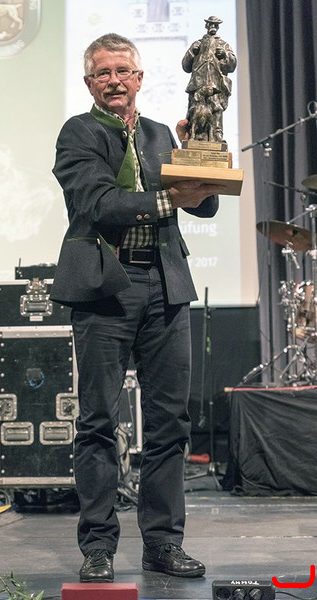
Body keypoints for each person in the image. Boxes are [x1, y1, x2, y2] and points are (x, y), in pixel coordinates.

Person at [50, 33, 224, 583]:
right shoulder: (78, 133)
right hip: (108, 287)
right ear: (89, 83)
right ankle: (98, 546)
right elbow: (99, 204)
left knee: (170, 422)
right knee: (99, 422)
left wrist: (198, 154)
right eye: (103, 72)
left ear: (140, 78)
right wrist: (172, 197)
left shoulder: (158, 134)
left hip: (165, 286)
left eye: (123, 70)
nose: (115, 80)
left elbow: (207, 205)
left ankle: (164, 545)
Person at [182, 16, 237, 142]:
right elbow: (185, 66)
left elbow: (232, 66)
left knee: (216, 108)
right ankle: (194, 134)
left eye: (215, 25)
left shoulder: (223, 45)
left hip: (216, 84)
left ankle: (217, 134)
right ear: (206, 26)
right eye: (210, 24)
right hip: (198, 84)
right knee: (196, 110)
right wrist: (191, 52)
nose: (213, 27)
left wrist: (225, 55)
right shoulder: (198, 44)